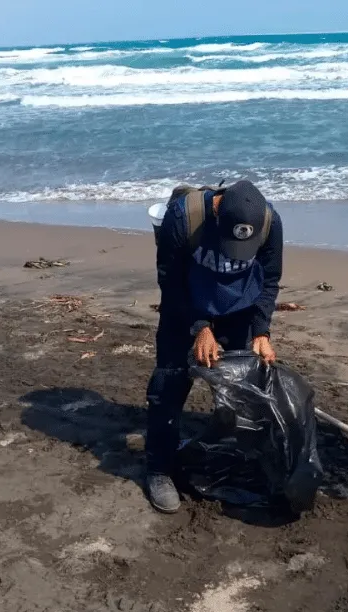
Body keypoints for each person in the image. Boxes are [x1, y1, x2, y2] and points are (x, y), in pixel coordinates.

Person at [145, 179, 283, 513]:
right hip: (186, 309)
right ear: (218, 212)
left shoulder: (270, 222)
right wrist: (200, 327)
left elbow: (269, 279)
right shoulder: (184, 219)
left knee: (237, 392)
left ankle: (231, 457)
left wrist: (261, 332)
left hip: (239, 313)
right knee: (168, 387)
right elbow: (170, 280)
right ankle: (159, 470)